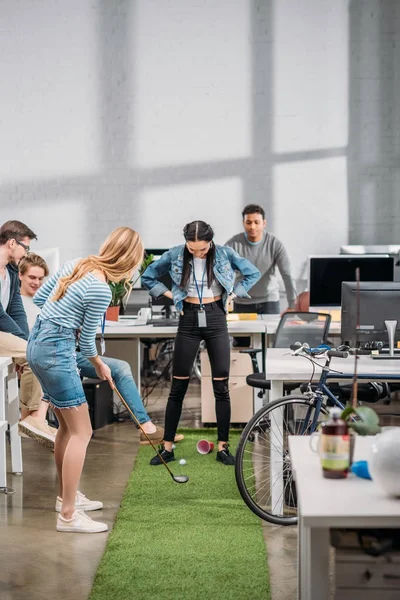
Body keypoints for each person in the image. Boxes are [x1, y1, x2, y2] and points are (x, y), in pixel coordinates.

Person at [27, 227, 144, 533]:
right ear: (128, 260)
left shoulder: (77, 263)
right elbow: (89, 343)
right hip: (56, 351)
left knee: (66, 427)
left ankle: (65, 498)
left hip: (37, 344)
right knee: (83, 431)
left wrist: (65, 316)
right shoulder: (101, 288)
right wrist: (100, 365)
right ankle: (68, 515)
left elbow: (40, 297)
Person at [19, 253, 181, 445]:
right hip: (47, 351)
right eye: (32, 277)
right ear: (20, 276)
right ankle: (38, 418)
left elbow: (52, 310)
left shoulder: (59, 289)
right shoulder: (19, 303)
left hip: (66, 349)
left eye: (40, 278)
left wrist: (70, 322)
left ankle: (146, 426)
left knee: (119, 368)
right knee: (80, 432)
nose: (36, 282)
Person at [142, 220, 260, 467]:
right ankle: (167, 448)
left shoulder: (225, 253)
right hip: (188, 317)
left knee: (221, 386)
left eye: (202, 250)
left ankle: (223, 448)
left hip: (217, 316)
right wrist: (171, 295)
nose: (197, 253)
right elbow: (148, 277)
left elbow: (252, 272)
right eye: (192, 249)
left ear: (210, 242)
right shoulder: (175, 254)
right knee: (178, 386)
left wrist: (234, 294)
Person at [0, 220, 56, 448]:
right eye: (26, 247)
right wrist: (26, 345)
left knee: (36, 352)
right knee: (34, 352)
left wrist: (27, 340)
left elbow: (15, 309)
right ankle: (31, 419)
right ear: (12, 243)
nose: (27, 253)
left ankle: (33, 417)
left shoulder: (11, 272)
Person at [225, 204, 296, 314]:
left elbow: (287, 274)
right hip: (242, 302)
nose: (252, 226)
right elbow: (221, 273)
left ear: (264, 223)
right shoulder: (233, 244)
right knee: (242, 332)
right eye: (248, 222)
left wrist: (292, 304)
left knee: (272, 331)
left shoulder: (274, 244)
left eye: (257, 222)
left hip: (269, 302)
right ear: (243, 223)